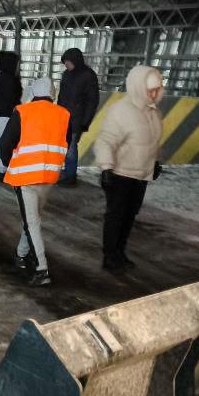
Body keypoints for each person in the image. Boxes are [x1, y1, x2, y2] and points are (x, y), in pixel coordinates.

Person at [0, 77, 69, 286]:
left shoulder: (22, 111)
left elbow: (5, 143)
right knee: (33, 219)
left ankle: (41, 269)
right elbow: (66, 141)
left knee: (32, 222)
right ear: (53, 93)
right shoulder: (64, 114)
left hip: (25, 176)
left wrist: (7, 162)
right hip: (49, 175)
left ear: (33, 91)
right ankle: (21, 255)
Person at [93, 65, 165, 272]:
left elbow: (152, 142)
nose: (153, 94)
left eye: (156, 90)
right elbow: (106, 141)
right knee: (116, 217)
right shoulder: (121, 111)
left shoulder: (153, 112)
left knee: (129, 217)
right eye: (150, 90)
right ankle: (109, 257)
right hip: (120, 174)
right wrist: (106, 168)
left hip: (141, 175)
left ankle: (120, 252)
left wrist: (156, 162)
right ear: (137, 87)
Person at [57, 47, 100, 186]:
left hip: (77, 119)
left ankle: (70, 176)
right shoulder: (66, 74)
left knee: (71, 148)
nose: (66, 65)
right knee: (63, 146)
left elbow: (92, 101)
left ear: (76, 61)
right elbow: (61, 97)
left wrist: (85, 122)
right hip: (63, 118)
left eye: (68, 62)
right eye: (65, 63)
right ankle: (65, 172)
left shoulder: (89, 76)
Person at [0, 51, 22, 182]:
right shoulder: (10, 79)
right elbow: (12, 100)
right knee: (4, 144)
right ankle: (1, 170)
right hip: (6, 116)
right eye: (17, 63)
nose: (18, 66)